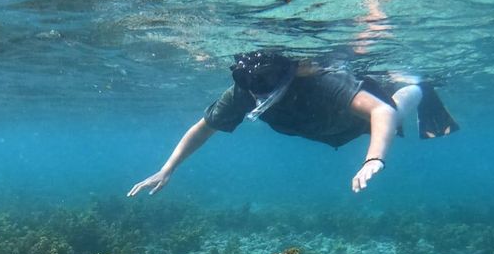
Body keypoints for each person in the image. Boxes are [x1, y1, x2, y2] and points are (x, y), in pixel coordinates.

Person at [128, 51, 459, 197]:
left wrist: (374, 158)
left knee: (395, 109)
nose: (257, 98)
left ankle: (420, 86)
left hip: (357, 121)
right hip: (329, 132)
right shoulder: (244, 92)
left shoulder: (319, 81)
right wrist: (168, 167)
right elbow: (204, 127)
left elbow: (381, 114)